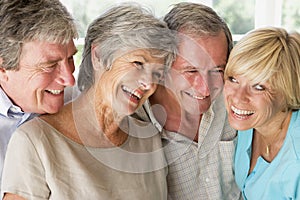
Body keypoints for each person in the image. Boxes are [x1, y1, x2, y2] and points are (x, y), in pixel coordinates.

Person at [1, 4, 177, 199]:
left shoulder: (149, 141)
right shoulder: (34, 140)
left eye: (157, 74)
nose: (147, 83)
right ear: (98, 55)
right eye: (138, 63)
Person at [135, 2, 242, 199]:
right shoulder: (134, 122)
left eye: (217, 70)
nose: (205, 88)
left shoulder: (236, 104)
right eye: (191, 71)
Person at [0, 0, 78, 188]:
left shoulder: (81, 105)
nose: (69, 80)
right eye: (50, 66)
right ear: (3, 69)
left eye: (70, 58)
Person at [223, 27, 300, 199]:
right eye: (233, 79)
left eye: (259, 87)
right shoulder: (250, 122)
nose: (237, 98)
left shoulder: (296, 163)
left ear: (288, 93)